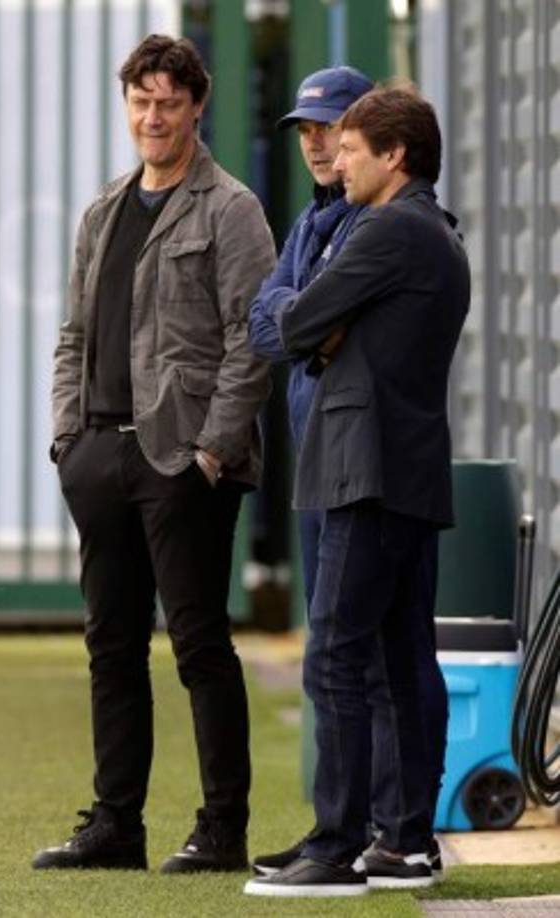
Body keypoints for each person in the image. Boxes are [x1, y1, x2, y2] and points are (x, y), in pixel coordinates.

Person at [32, 34, 275, 874]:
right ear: (126, 105)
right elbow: (72, 336)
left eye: (169, 101)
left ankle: (222, 828)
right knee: (112, 645)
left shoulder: (230, 208)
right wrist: (69, 441)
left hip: (186, 464)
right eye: (141, 101)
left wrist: (211, 450)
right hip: (102, 457)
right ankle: (115, 824)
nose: (154, 116)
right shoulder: (104, 211)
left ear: (196, 106)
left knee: (200, 645)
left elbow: (255, 337)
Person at [244, 85, 470, 898]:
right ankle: (403, 843)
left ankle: (334, 847)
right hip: (399, 467)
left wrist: (313, 319)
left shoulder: (386, 230)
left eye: (349, 147)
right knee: (400, 654)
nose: (334, 158)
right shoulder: (424, 230)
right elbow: (299, 320)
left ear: (393, 156)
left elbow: (293, 323)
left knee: (338, 650)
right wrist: (314, 319)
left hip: (364, 469)